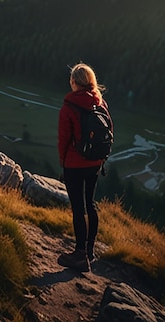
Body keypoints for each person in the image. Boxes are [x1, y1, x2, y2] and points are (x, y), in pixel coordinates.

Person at [57, 62, 112, 273]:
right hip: (95, 163)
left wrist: (63, 161)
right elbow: (110, 131)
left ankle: (79, 255)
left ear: (73, 83)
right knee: (91, 204)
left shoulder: (68, 107)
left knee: (78, 208)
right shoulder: (100, 103)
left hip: (74, 164)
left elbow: (64, 139)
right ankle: (90, 251)